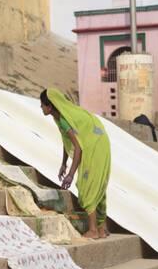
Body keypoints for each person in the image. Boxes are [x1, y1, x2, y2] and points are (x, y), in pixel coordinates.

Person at [39, 88, 111, 239]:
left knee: (87, 187)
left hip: (94, 147)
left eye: (42, 105)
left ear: (50, 106)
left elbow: (78, 148)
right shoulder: (62, 117)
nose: (41, 107)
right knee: (97, 186)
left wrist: (71, 175)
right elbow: (68, 142)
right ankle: (101, 228)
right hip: (100, 144)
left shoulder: (64, 120)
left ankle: (93, 230)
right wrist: (64, 163)